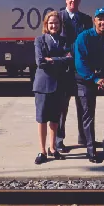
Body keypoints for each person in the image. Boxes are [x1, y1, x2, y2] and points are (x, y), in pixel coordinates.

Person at [74, 7, 104, 163]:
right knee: (88, 112)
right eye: (99, 19)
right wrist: (94, 79)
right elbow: (80, 63)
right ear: (94, 21)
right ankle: (90, 149)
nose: (103, 22)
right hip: (85, 80)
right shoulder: (84, 37)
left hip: (103, 79)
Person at [56, 0, 93, 153]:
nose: (73, 0)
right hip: (64, 69)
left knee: (83, 106)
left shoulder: (86, 19)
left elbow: (89, 42)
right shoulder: (58, 17)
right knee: (62, 107)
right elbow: (53, 41)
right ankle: (58, 140)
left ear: (80, 0)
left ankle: (84, 138)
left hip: (81, 70)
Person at [33, 11, 72, 165]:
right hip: (43, 85)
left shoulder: (64, 41)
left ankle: (53, 148)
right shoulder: (40, 40)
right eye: (51, 23)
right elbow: (40, 61)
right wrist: (59, 60)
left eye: (56, 23)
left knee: (55, 120)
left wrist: (52, 59)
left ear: (60, 25)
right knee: (42, 119)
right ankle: (42, 151)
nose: (54, 25)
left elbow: (69, 60)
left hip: (59, 85)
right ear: (46, 25)